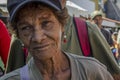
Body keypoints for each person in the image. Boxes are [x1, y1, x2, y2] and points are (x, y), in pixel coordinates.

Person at [0, 0, 114, 80]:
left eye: (46, 23)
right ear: (18, 35)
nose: (38, 38)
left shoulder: (93, 72)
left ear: (62, 24)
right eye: (26, 28)